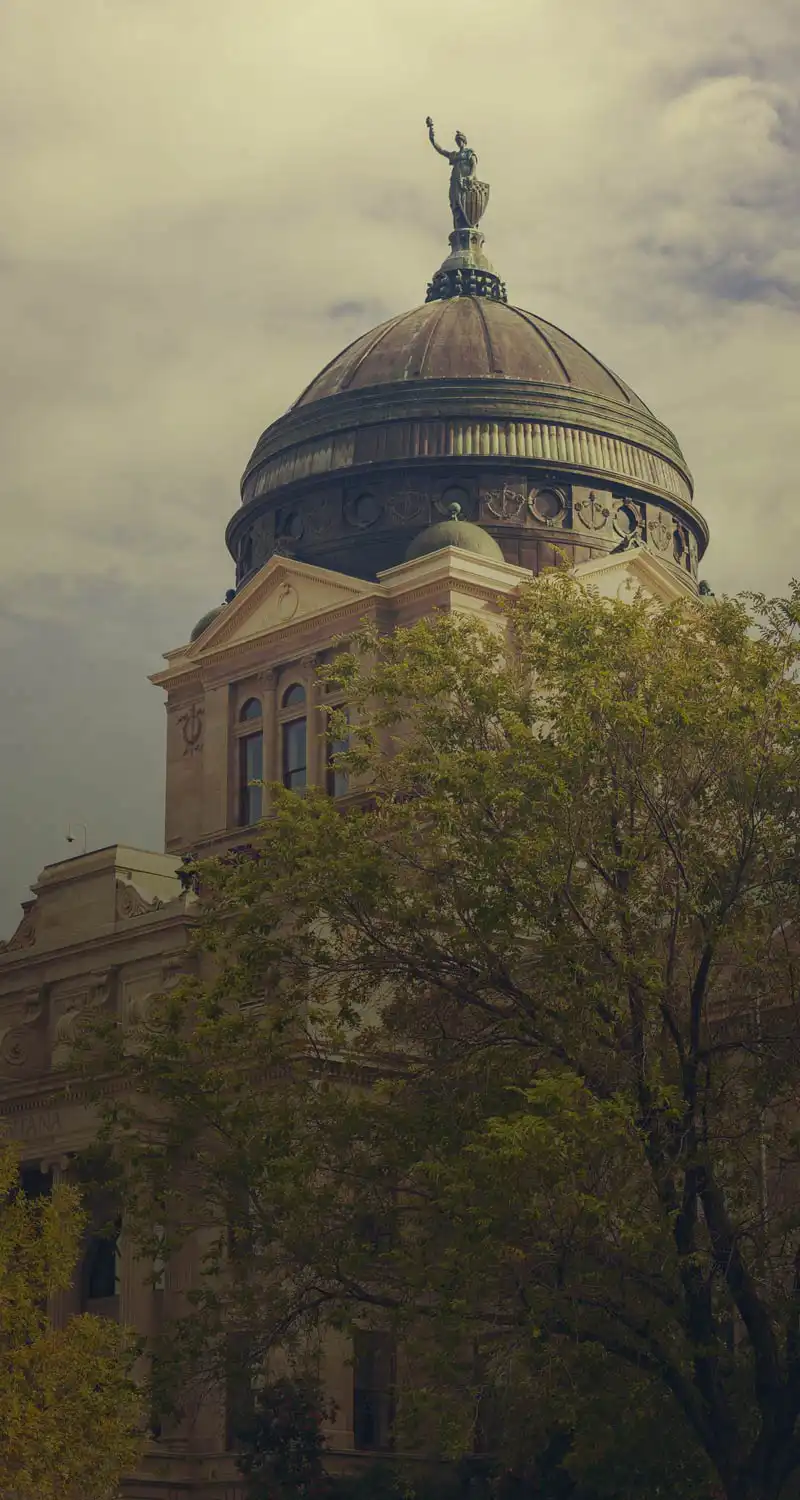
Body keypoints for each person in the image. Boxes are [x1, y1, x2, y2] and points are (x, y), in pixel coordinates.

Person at [426, 117, 488, 230]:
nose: (459, 142)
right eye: (457, 141)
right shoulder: (454, 155)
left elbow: (474, 165)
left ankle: (470, 224)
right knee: (456, 204)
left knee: (467, 203)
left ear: (464, 141)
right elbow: (440, 149)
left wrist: (470, 176)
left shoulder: (469, 152)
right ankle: (459, 224)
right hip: (456, 181)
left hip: (467, 182)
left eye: (460, 140)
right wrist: (432, 136)